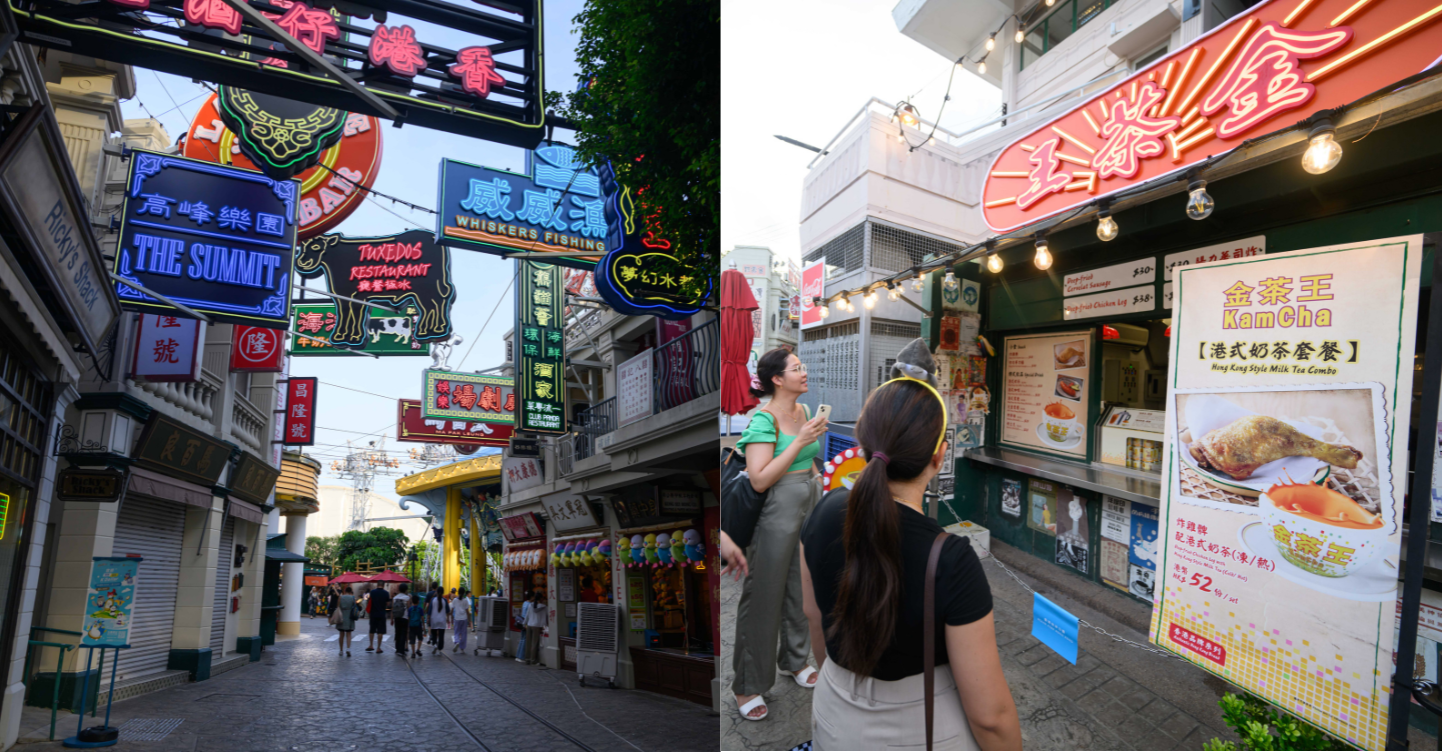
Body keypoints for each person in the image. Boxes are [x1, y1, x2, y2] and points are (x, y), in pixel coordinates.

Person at [799, 376, 1021, 750]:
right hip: (922, 727)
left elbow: (813, 616)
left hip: (832, 711)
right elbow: (991, 718)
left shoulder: (824, 511)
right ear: (939, 456)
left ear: (863, 443)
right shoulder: (951, 558)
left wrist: (839, 682)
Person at [732, 347, 828, 721]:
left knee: (800, 588)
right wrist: (801, 441)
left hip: (809, 500)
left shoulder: (804, 411)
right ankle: (748, 684)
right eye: (796, 368)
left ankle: (795, 658)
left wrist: (816, 475)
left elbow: (810, 458)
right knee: (764, 595)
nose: (804, 373)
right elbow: (759, 479)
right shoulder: (763, 420)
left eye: (803, 366)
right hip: (776, 508)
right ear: (777, 379)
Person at [523, 592, 547, 665]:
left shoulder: (530, 605)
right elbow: (544, 617)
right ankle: (533, 659)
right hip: (536, 626)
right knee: (534, 643)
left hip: (529, 625)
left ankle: (527, 659)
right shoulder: (544, 607)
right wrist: (544, 626)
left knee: (528, 643)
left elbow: (527, 615)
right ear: (541, 598)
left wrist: (524, 623)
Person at [366, 583, 390, 653]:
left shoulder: (372, 592)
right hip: (382, 614)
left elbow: (369, 601)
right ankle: (378, 648)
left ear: (377, 585)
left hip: (373, 614)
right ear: (383, 585)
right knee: (380, 631)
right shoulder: (386, 593)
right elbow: (388, 604)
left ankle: (371, 645)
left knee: (372, 630)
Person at [391, 583, 412, 658]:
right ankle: (401, 650)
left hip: (397, 617)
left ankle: (397, 648)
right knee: (403, 633)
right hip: (405, 617)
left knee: (397, 632)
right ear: (406, 590)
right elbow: (409, 609)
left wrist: (391, 619)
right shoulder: (407, 598)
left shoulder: (395, 598)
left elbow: (393, 609)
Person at [428, 584, 449, 654]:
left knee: (433, 633)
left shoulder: (433, 600)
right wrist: (448, 619)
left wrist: (428, 619)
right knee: (441, 635)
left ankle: (434, 644)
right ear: (443, 592)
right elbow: (448, 611)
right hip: (442, 620)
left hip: (434, 620)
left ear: (436, 592)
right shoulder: (445, 600)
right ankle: (440, 648)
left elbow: (430, 610)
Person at [336, 588, 357, 657]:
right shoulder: (353, 598)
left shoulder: (341, 597)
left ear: (345, 591)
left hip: (342, 616)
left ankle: (341, 650)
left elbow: (338, 606)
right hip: (349, 617)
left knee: (341, 634)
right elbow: (355, 606)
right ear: (350, 591)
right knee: (349, 634)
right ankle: (348, 649)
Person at [451, 587, 471, 652]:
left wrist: (451, 617)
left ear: (458, 592)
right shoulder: (465, 600)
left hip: (457, 618)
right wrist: (469, 620)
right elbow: (467, 611)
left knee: (456, 632)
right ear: (464, 593)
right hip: (464, 618)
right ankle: (462, 647)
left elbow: (452, 610)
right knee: (463, 633)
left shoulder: (455, 600)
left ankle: (457, 642)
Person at [407, 593, 427, 658]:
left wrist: (408, 627)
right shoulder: (420, 609)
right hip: (419, 626)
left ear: (412, 601)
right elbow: (422, 618)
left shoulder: (410, 609)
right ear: (418, 601)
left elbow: (408, 618)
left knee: (412, 640)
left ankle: (413, 653)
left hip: (412, 626)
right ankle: (418, 649)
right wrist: (424, 627)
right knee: (420, 638)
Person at [515, 593, 532, 663]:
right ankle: (521, 656)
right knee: (524, 640)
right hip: (526, 623)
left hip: (522, 622)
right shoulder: (529, 605)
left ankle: (518, 655)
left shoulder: (524, 603)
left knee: (522, 639)